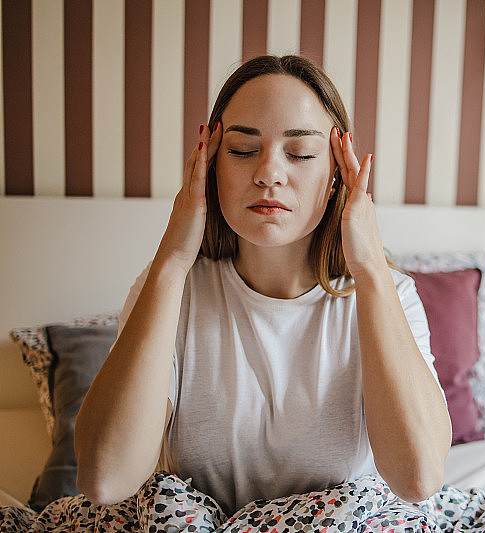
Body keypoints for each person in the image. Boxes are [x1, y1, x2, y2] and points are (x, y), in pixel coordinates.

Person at [74, 55, 452, 517]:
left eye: (300, 153)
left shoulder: (388, 295)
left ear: (336, 174)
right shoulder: (172, 292)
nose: (269, 173)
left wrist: (370, 268)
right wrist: (171, 263)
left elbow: (419, 478)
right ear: (210, 166)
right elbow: (105, 477)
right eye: (241, 150)